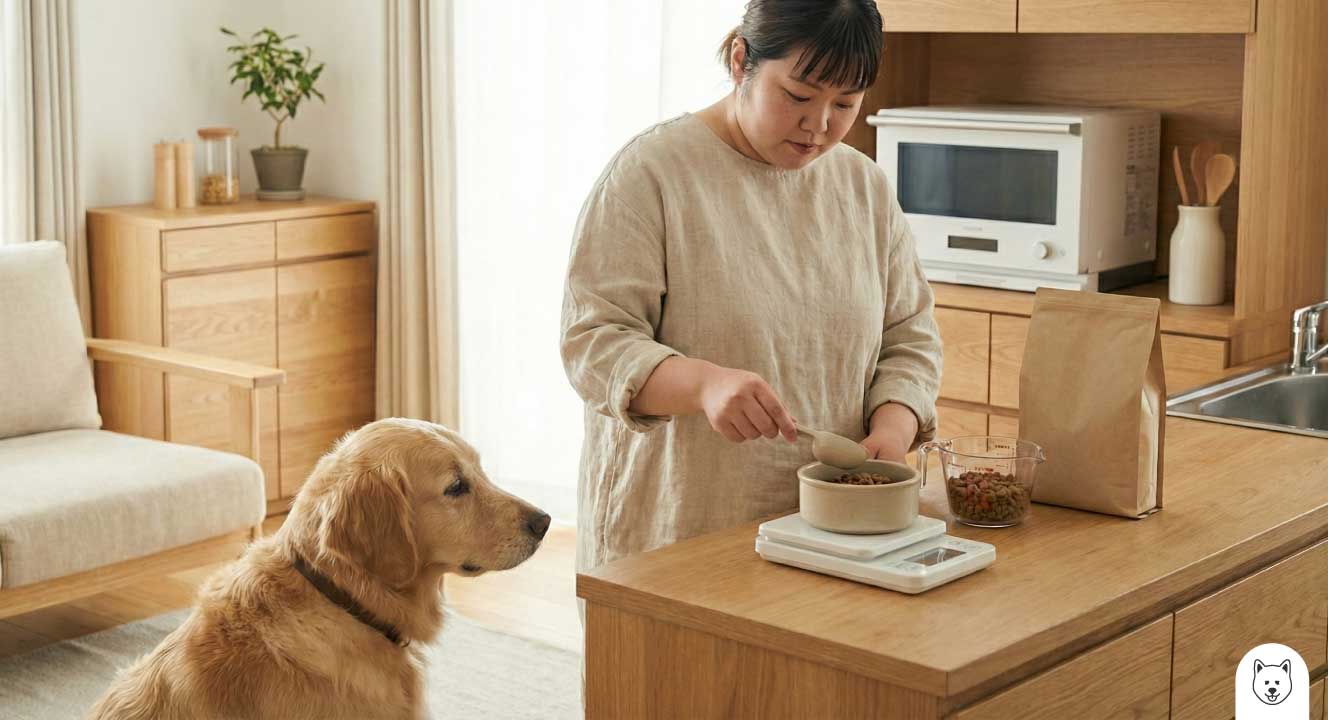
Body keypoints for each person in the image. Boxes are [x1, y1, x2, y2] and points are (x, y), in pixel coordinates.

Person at [560, 0, 942, 577]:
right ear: (741, 60)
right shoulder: (651, 175)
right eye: (798, 95)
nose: (819, 125)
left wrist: (894, 425)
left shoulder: (862, 186)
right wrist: (703, 385)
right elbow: (593, 343)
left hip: (834, 529)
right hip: (684, 527)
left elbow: (909, 334)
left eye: (846, 103)